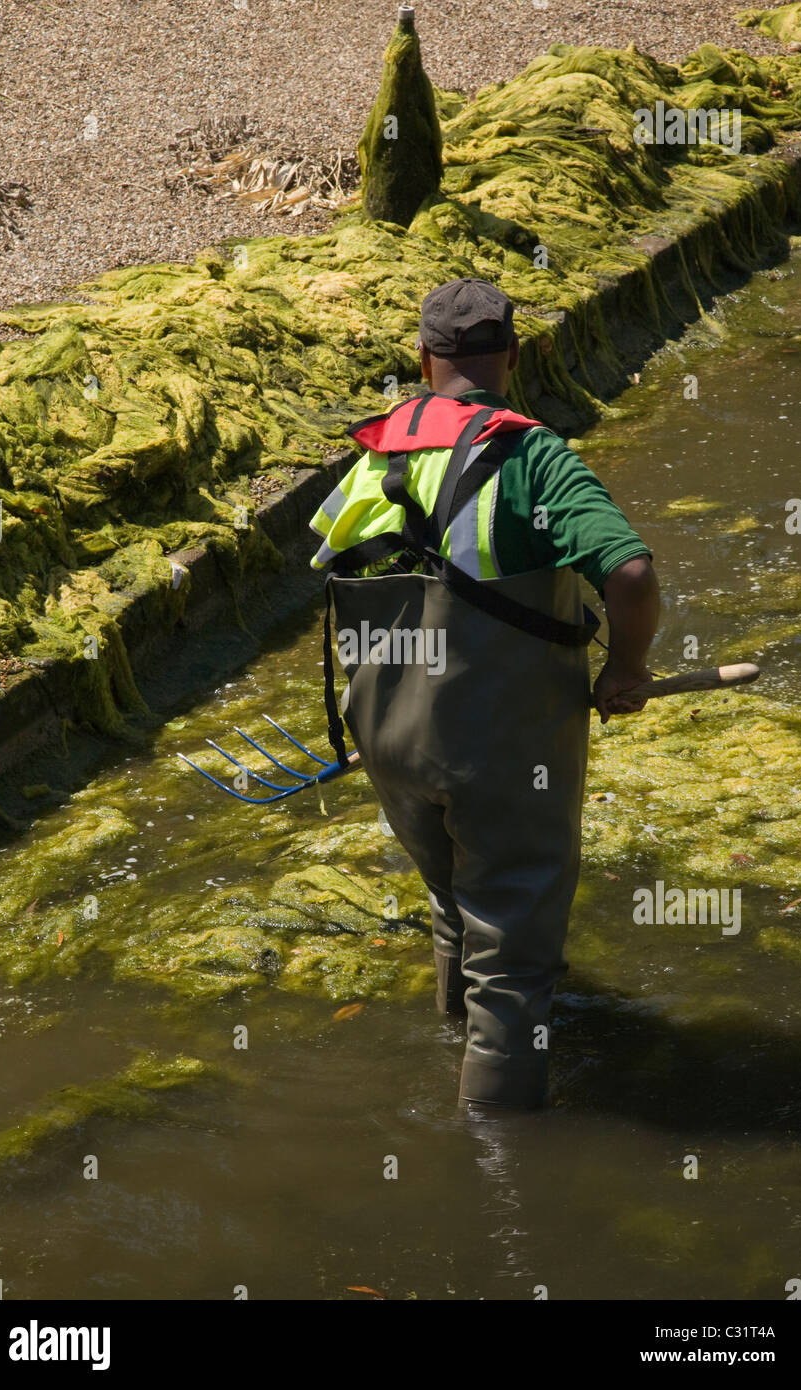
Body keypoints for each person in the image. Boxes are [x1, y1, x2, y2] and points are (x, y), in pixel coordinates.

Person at [309, 278, 660, 1110]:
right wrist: (627, 670)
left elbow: (336, 575)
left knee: (453, 899)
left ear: (423, 360)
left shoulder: (378, 453)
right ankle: (499, 1166)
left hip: (388, 742)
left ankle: (446, 1039)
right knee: (512, 951)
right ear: (512, 356)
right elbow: (632, 572)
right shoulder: (531, 454)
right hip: (496, 746)